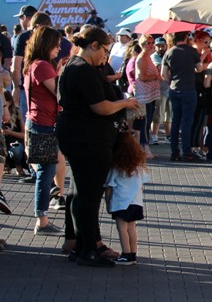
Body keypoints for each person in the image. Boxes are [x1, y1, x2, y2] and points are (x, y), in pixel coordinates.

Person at [57, 26, 140, 267]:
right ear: (93, 45)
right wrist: (125, 102)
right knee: (88, 195)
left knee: (79, 192)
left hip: (80, 137)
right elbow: (100, 107)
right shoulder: (82, 70)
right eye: (104, 50)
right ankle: (86, 248)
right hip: (87, 139)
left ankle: (83, 245)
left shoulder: (74, 66)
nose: (105, 56)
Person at [23, 26, 63, 236]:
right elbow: (59, 93)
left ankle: (43, 217)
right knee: (45, 173)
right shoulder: (42, 66)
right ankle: (42, 219)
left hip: (38, 121)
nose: (58, 48)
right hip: (43, 123)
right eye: (56, 45)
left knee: (45, 171)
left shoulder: (34, 65)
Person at [161, 31, 205, 162]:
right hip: (189, 89)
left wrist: (171, 82)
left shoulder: (169, 52)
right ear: (186, 37)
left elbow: (163, 74)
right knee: (187, 121)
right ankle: (187, 151)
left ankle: (174, 151)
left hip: (174, 89)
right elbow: (199, 69)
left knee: (175, 120)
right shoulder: (192, 51)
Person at [105, 131, 146, 265]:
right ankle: (133, 254)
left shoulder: (116, 167)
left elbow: (109, 186)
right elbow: (142, 185)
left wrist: (108, 203)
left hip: (120, 202)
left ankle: (125, 254)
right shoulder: (138, 166)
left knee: (122, 228)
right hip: (136, 202)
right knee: (132, 228)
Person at [134, 35, 162, 158]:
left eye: (151, 42)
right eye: (148, 43)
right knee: (145, 122)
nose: (150, 45)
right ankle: (144, 147)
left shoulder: (148, 57)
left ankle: (143, 147)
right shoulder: (141, 58)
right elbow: (142, 77)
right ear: (142, 44)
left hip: (150, 94)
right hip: (144, 95)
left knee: (148, 120)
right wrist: (155, 77)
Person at [189, 30, 212, 156]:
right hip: (194, 88)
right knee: (194, 120)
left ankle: (197, 146)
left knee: (200, 120)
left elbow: (209, 67)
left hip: (204, 90)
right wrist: (204, 58)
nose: (207, 45)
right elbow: (197, 68)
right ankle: (192, 146)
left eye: (209, 42)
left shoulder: (205, 53)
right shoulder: (193, 52)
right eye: (205, 42)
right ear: (197, 41)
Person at [150, 36, 170, 143]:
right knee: (158, 113)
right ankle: (154, 135)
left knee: (169, 114)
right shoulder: (154, 57)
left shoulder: (168, 55)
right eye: (158, 46)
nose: (161, 48)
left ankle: (168, 135)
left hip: (169, 87)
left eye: (162, 46)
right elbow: (159, 69)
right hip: (159, 88)